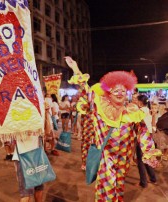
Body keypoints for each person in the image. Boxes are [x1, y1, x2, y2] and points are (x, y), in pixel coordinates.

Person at [65, 56, 161, 201]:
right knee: (108, 190)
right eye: (116, 90)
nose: (120, 93)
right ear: (109, 93)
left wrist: (149, 151)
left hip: (123, 158)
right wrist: (76, 69)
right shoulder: (100, 107)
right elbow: (86, 90)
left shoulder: (132, 110)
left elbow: (143, 132)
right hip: (106, 156)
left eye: (123, 91)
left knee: (118, 187)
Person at [136, 95, 157, 188]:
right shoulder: (148, 110)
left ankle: (143, 182)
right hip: (148, 138)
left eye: (137, 101)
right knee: (147, 158)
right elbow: (152, 126)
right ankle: (153, 178)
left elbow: (138, 122)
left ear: (140, 102)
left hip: (142, 139)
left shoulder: (140, 111)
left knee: (140, 161)